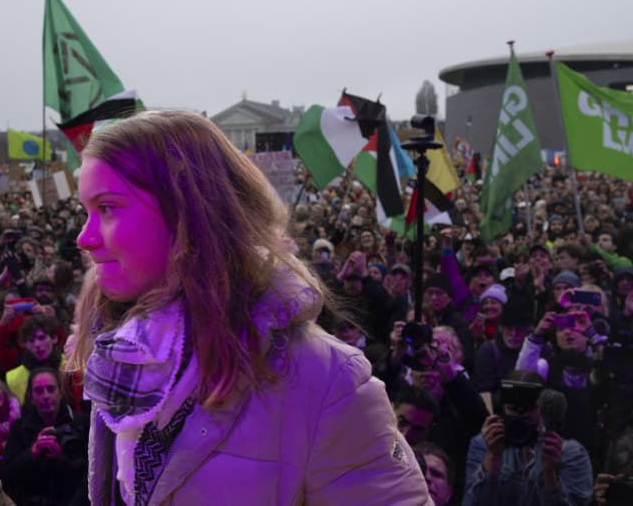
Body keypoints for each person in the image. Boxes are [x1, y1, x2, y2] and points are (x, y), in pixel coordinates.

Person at [69, 111, 429, 504]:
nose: (84, 238)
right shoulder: (123, 357)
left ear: (186, 213)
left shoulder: (328, 383)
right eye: (86, 211)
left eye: (107, 208)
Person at [463, 371, 593, 505]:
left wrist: (549, 474)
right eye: (513, 409)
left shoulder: (568, 452)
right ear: (503, 408)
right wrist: (492, 458)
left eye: (530, 409)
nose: (521, 416)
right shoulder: (484, 443)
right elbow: (470, 502)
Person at [0, 367, 88, 506]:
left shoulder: (81, 423)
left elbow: (91, 476)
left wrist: (65, 458)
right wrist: (32, 452)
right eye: (39, 391)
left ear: (60, 392)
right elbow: (7, 478)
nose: (46, 396)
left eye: (51, 389)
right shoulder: (20, 428)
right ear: (31, 398)